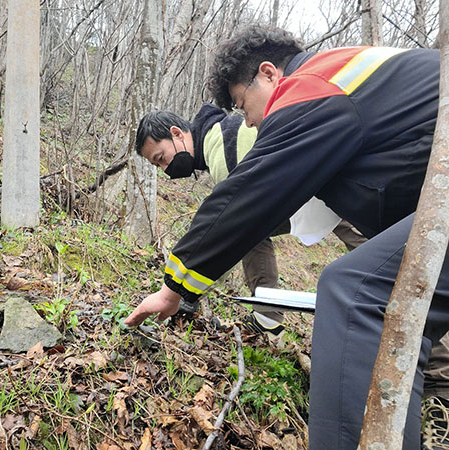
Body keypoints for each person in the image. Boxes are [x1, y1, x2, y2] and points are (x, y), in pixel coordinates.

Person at [124, 25, 449, 449]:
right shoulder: (352, 83)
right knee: (384, 282)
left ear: (269, 74)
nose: (251, 121)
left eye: (244, 105)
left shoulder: (311, 84)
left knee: (354, 294)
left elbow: (248, 200)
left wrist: (175, 287)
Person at [135, 105, 365, 334]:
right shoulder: (217, 136)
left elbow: (225, 234)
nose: (166, 169)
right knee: (253, 233)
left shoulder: (221, 146)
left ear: (176, 133)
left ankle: (392, 291)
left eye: (162, 158)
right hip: (300, 189)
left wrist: (185, 294)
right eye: (158, 166)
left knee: (362, 235)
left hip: (322, 183)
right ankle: (268, 320)